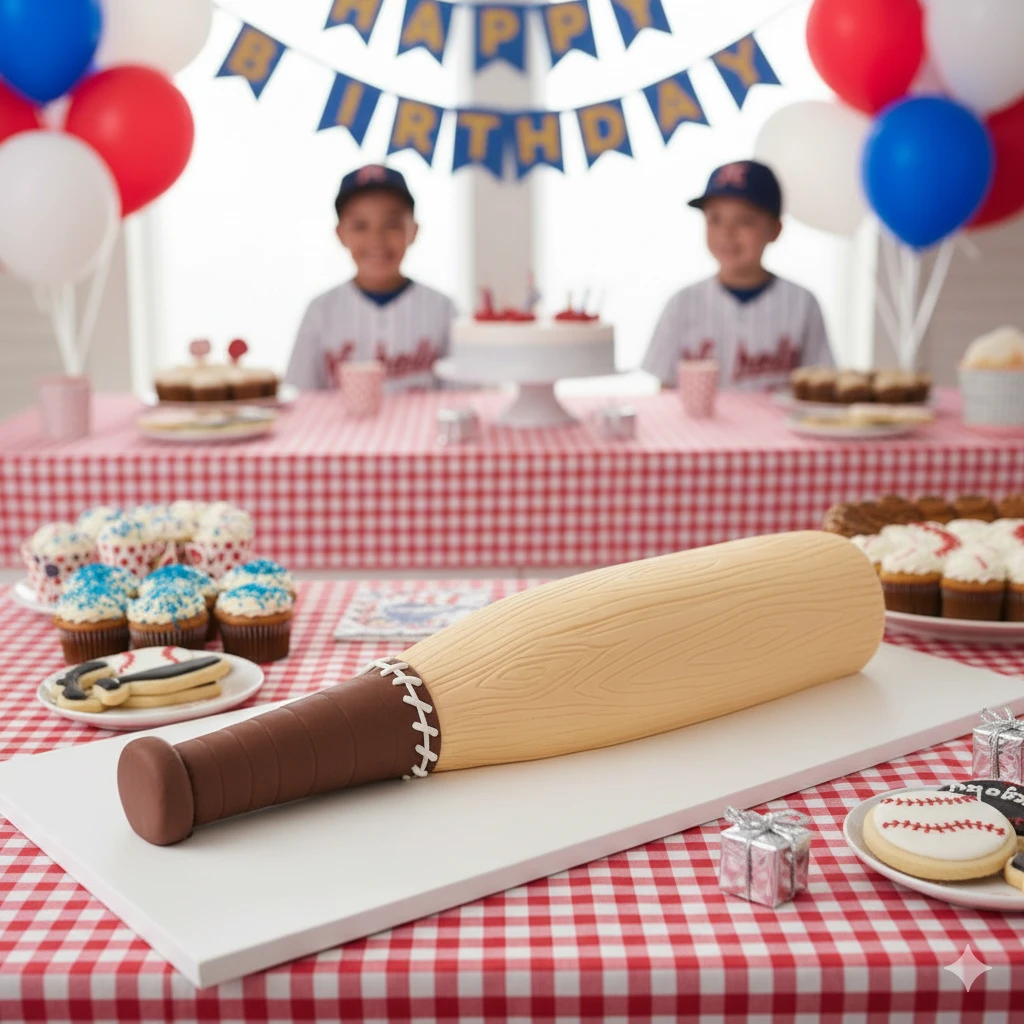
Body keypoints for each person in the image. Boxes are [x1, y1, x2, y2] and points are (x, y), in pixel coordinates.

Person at [642, 160, 834, 391]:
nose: (727, 233)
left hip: (777, 427)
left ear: (775, 229)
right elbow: (667, 392)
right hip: (700, 428)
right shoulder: (682, 303)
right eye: (715, 219)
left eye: (745, 221)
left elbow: (820, 386)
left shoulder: (802, 302)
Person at [286, 165, 456, 391]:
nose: (377, 239)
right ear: (340, 234)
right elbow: (300, 395)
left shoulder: (442, 308)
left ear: (413, 231)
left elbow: (463, 398)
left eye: (392, 225)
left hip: (425, 427)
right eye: (360, 226)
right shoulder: (321, 310)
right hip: (342, 427)